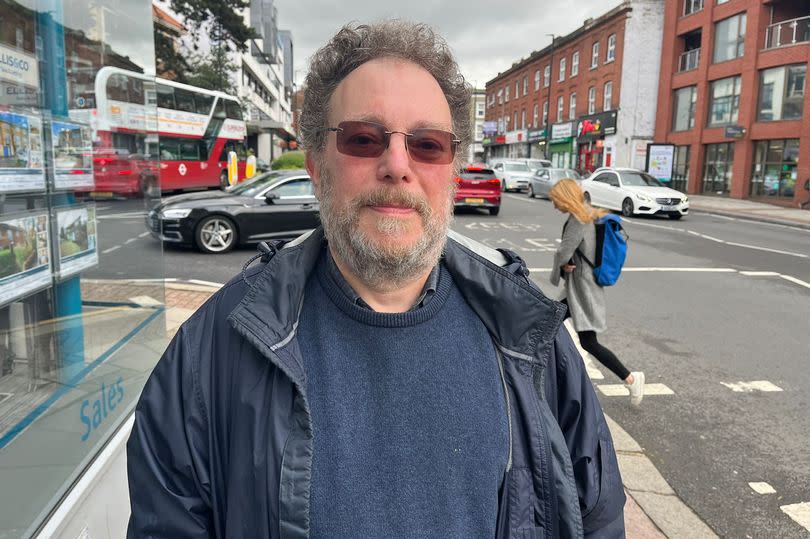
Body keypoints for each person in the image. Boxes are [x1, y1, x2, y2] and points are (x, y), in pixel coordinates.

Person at [126, 20, 626, 538]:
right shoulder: (211, 354)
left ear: (451, 172)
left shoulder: (533, 345)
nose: (396, 164)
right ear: (317, 166)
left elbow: (597, 519)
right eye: (363, 139)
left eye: (427, 144)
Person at [548, 178, 645, 405]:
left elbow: (564, 251)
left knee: (588, 341)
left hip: (582, 288)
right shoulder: (588, 214)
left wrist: (561, 265)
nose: (555, 206)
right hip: (578, 286)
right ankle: (546, 378)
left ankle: (631, 378)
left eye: (556, 201)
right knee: (548, 323)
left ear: (565, 198)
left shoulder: (578, 220)